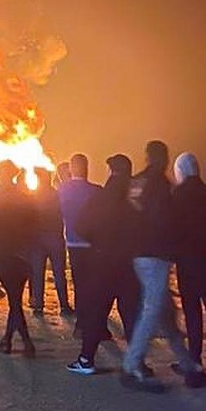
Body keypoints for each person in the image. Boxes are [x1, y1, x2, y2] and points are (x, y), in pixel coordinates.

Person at [119, 141, 206, 392]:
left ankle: (190, 368)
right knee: (152, 309)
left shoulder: (135, 182)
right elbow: (164, 222)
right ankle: (131, 366)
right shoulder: (161, 185)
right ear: (163, 159)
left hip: (138, 254)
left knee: (167, 313)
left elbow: (128, 217)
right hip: (155, 255)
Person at [66, 154, 141, 376]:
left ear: (111, 172)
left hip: (102, 263)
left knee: (96, 312)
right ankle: (136, 363)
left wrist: (97, 241)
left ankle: (86, 359)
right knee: (130, 315)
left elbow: (80, 226)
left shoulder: (100, 197)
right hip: (129, 265)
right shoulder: (135, 198)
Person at [169, 152, 206, 373]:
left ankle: (194, 359)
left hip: (187, 262)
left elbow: (171, 229)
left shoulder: (176, 195)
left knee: (192, 311)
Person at [0, 162, 38, 356]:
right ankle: (12, 340)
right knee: (15, 298)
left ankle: (20, 341)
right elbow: (33, 224)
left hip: (5, 253)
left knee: (14, 301)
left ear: (2, 175)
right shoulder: (26, 199)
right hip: (23, 254)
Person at [58, 153, 101, 335]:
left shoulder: (62, 190)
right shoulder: (96, 190)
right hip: (93, 244)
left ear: (71, 169)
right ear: (87, 168)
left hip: (73, 243)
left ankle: (81, 324)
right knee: (94, 284)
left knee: (79, 283)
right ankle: (95, 323)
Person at [29, 167, 73, 316]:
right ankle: (64, 306)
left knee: (37, 273)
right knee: (59, 273)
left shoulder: (33, 196)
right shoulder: (57, 195)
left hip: (36, 240)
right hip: (55, 238)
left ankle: (38, 306)